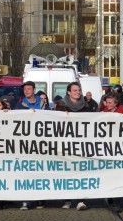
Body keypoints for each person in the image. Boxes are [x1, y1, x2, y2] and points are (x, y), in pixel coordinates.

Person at [56, 82, 93, 211]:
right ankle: (67, 199)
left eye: (79, 90)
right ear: (69, 92)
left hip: (81, 143)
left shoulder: (86, 105)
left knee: (81, 171)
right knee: (67, 171)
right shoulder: (61, 106)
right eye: (75, 90)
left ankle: (81, 200)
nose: (78, 92)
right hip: (66, 143)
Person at [15, 81, 48, 210]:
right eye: (25, 89)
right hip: (25, 144)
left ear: (34, 90)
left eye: (29, 89)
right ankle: (26, 200)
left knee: (40, 171)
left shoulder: (43, 104)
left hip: (41, 143)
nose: (26, 91)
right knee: (26, 172)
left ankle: (40, 199)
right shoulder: (20, 104)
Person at [100, 91, 123, 212]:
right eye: (106, 102)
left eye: (110, 103)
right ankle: (111, 198)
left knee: (119, 174)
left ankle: (118, 200)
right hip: (107, 148)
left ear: (116, 103)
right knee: (110, 174)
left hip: (120, 147)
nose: (107, 104)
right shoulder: (102, 113)